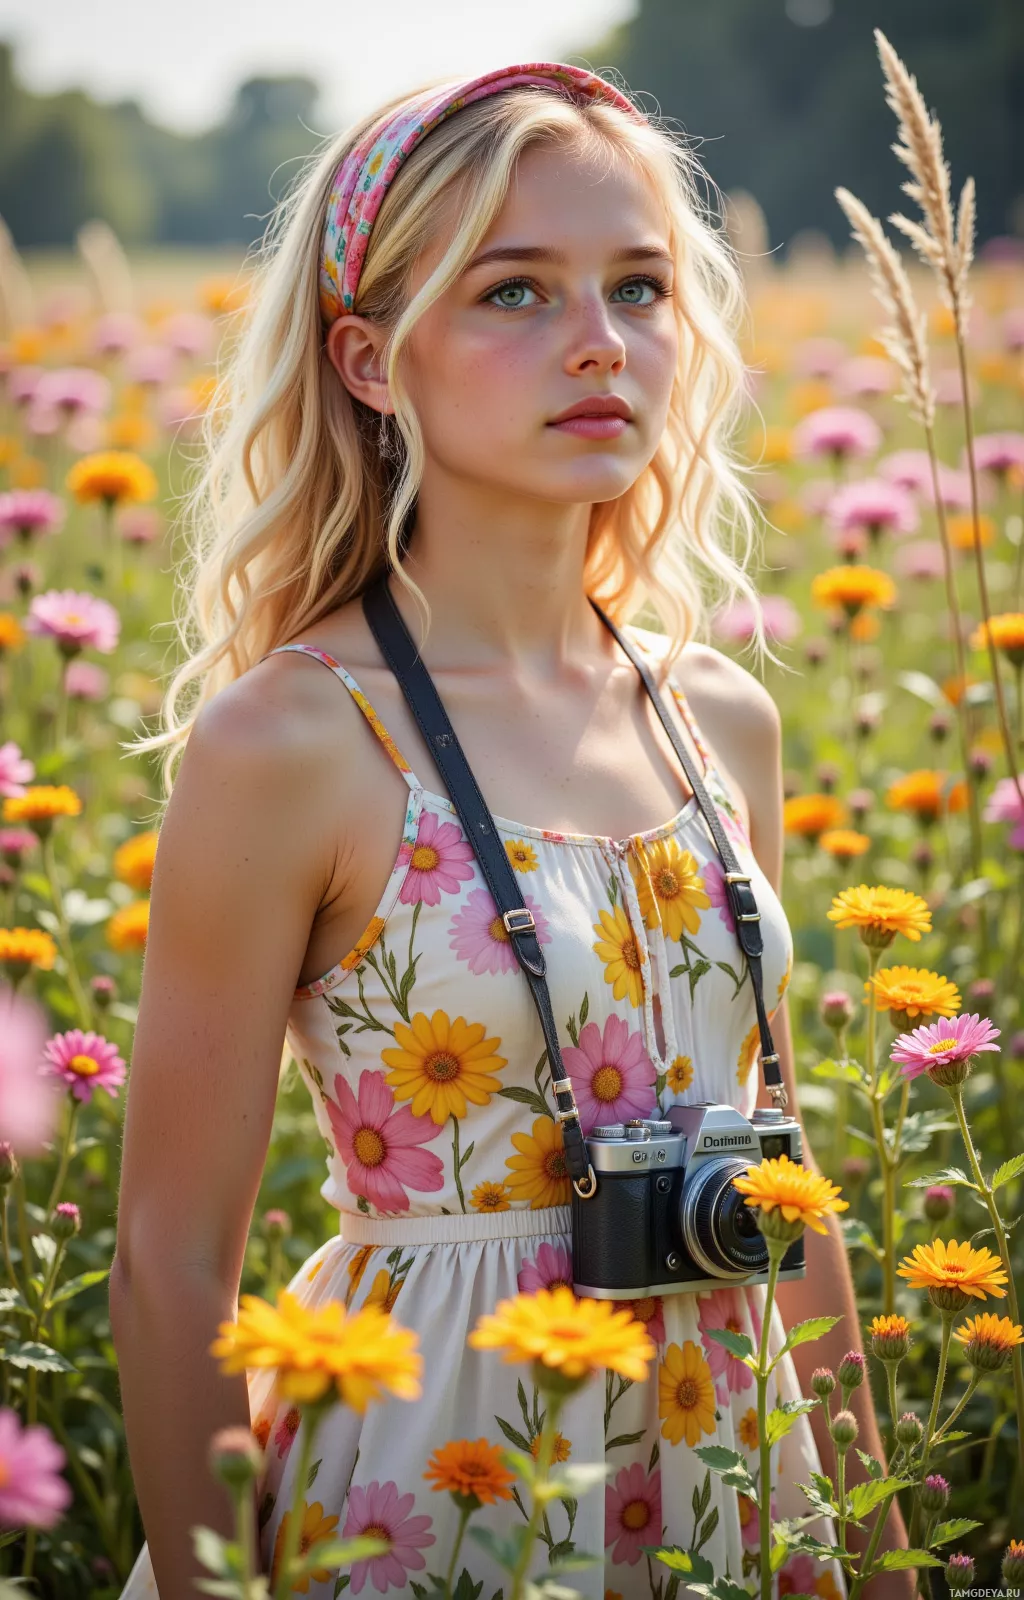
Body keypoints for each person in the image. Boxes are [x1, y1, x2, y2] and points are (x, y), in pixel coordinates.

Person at [111, 63, 912, 1600]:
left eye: (640, 287)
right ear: (367, 359)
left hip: (731, 1470)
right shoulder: (292, 741)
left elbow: (783, 1176)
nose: (599, 341)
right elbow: (165, 1259)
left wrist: (878, 1558)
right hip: (431, 1479)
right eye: (515, 293)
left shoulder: (721, 715)